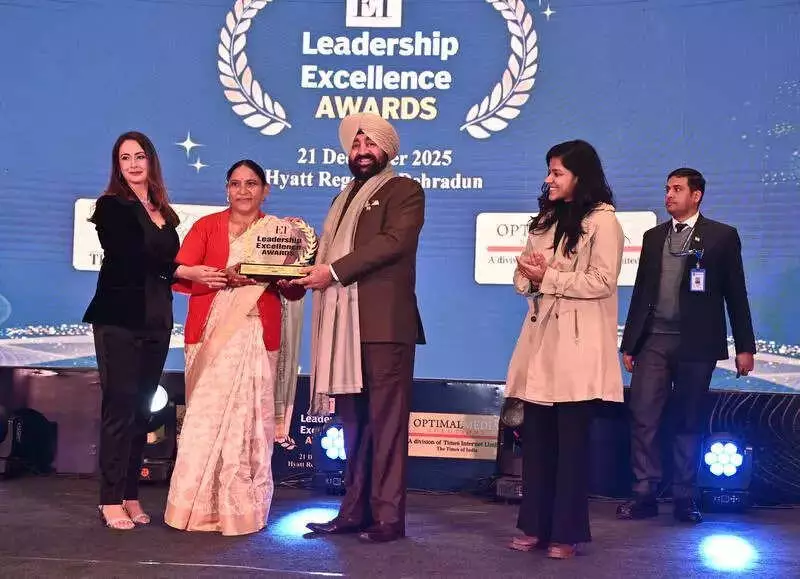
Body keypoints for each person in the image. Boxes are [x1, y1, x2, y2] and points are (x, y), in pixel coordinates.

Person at [84, 131, 226, 530]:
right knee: (119, 408)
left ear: (151, 161)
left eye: (139, 156)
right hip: (119, 320)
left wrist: (207, 273)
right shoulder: (111, 207)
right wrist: (185, 271)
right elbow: (132, 257)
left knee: (142, 412)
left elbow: (169, 265)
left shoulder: (165, 213)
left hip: (157, 321)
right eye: (125, 157)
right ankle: (109, 499)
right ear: (117, 165)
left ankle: (130, 494)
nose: (133, 164)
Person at [298, 113, 425, 544]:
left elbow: (394, 242)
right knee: (354, 425)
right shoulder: (342, 197)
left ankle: (388, 517)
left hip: (383, 326)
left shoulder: (404, 190)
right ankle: (353, 511)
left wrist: (332, 272)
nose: (362, 151)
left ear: (387, 149)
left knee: (386, 425)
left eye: (371, 144)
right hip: (344, 328)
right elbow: (326, 253)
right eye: (356, 144)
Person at [163, 159, 305, 536]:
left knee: (249, 423)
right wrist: (222, 277)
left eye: (251, 183)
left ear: (265, 190)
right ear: (227, 189)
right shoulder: (207, 226)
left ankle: (240, 510)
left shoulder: (280, 232)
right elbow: (180, 272)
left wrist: (288, 277)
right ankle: (192, 509)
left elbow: (294, 290)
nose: (243, 191)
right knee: (204, 420)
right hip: (212, 333)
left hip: (258, 333)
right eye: (236, 184)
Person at [505, 140, 624, 559]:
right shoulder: (545, 220)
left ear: (580, 176)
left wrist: (550, 277)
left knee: (571, 448)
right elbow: (523, 277)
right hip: (541, 344)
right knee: (537, 443)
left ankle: (566, 534)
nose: (548, 179)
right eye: (549, 171)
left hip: (577, 349)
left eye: (557, 172)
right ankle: (534, 526)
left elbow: (602, 282)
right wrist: (529, 276)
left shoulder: (603, 222)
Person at [617, 168, 755, 524]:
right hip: (653, 340)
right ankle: (644, 493)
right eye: (667, 189)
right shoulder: (653, 237)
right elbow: (641, 294)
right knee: (643, 415)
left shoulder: (722, 236)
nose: (669, 195)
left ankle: (684, 496)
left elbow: (736, 294)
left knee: (688, 419)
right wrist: (630, 344)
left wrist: (745, 346)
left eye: (677, 189)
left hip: (697, 343)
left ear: (696, 195)